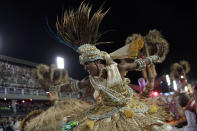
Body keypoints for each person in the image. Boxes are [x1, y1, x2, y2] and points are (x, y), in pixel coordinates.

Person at [25, 2, 172, 131]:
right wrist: (53, 88)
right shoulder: (91, 80)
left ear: (97, 61)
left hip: (129, 110)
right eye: (83, 65)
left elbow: (139, 63)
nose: (85, 68)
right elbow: (73, 86)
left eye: (87, 64)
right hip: (104, 114)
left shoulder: (117, 69)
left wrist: (155, 57)